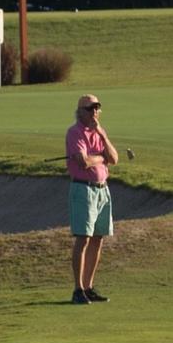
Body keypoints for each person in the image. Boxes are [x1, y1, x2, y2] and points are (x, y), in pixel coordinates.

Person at [63, 94, 121, 301]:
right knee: (83, 238)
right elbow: (83, 162)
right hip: (84, 189)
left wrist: (102, 137)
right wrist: (101, 157)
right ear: (80, 112)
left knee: (98, 238)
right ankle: (77, 289)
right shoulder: (74, 133)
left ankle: (88, 287)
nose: (94, 112)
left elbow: (114, 158)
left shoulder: (99, 132)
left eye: (96, 108)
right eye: (90, 109)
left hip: (102, 190)